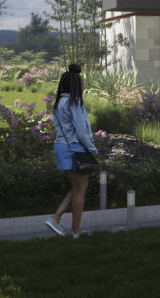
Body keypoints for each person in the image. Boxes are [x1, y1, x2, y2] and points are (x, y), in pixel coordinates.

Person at [47, 64, 98, 238]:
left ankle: (56, 218)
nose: (83, 87)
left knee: (79, 187)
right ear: (75, 86)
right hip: (74, 147)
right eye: (82, 84)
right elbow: (81, 132)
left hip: (62, 146)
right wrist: (92, 149)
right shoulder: (74, 102)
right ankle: (74, 230)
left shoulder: (59, 102)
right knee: (80, 189)